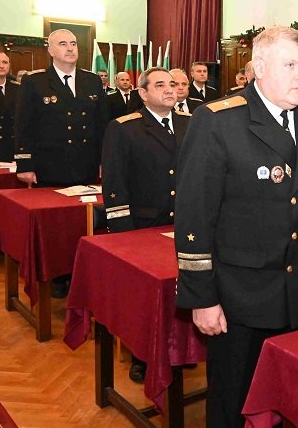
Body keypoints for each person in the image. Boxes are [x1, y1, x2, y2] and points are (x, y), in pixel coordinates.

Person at [175, 26, 298, 428]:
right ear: (259, 68)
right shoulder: (219, 121)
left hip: (295, 286)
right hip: (239, 294)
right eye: (290, 65)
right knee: (233, 401)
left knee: (283, 397)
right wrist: (201, 297)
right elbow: (195, 215)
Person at [102, 67, 190, 382]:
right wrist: (122, 231)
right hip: (143, 223)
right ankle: (142, 354)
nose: (169, 90)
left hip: (183, 221)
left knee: (182, 287)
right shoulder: (124, 127)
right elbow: (115, 181)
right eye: (160, 85)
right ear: (143, 93)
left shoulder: (190, 123)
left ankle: (181, 348)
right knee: (144, 297)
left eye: (173, 84)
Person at [14, 29, 108, 297]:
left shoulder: (92, 81)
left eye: (73, 43)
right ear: (51, 50)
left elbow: (102, 125)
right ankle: (56, 273)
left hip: (85, 164)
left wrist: (104, 161)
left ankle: (79, 270)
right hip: (50, 164)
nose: (69, 48)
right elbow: (23, 125)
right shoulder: (35, 82)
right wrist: (25, 164)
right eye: (63, 44)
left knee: (83, 221)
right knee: (54, 226)